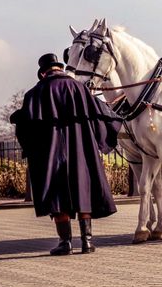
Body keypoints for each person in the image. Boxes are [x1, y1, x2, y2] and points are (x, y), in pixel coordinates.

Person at [10, 53, 118, 255]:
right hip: (81, 152)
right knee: (83, 191)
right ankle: (86, 242)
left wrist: (16, 119)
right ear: (59, 68)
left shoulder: (35, 93)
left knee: (57, 194)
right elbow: (101, 113)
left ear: (43, 73)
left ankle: (65, 242)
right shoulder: (79, 88)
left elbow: (25, 125)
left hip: (51, 154)